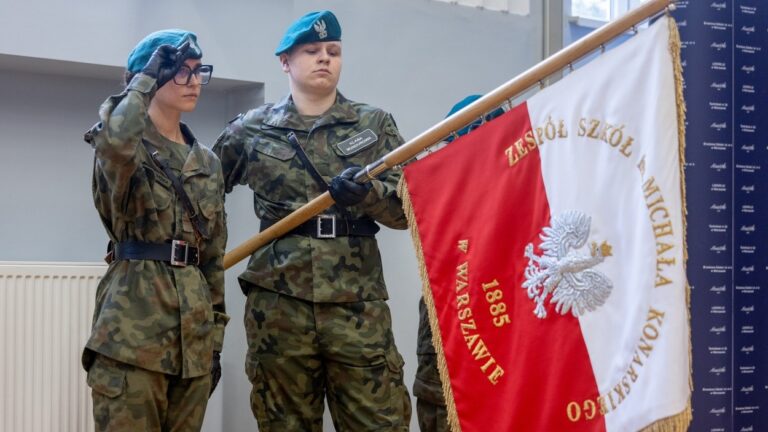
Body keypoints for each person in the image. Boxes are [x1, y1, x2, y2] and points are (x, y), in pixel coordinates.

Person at [213, 10, 411, 431]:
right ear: (285, 61)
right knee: (284, 424)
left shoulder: (373, 125)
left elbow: (408, 211)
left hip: (356, 303)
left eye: (333, 51)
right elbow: (203, 194)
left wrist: (369, 195)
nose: (325, 58)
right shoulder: (251, 129)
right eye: (312, 51)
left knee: (380, 422)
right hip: (279, 302)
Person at [82, 29, 228, 431]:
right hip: (132, 336)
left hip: (192, 341)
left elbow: (213, 258)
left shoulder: (207, 162)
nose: (194, 81)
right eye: (180, 72)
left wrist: (214, 341)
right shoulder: (125, 147)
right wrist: (144, 81)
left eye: (199, 71)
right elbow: (114, 140)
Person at [413, 95, 505, 432]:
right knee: (444, 407)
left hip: (507, 326)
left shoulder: (528, 188)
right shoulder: (435, 189)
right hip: (451, 322)